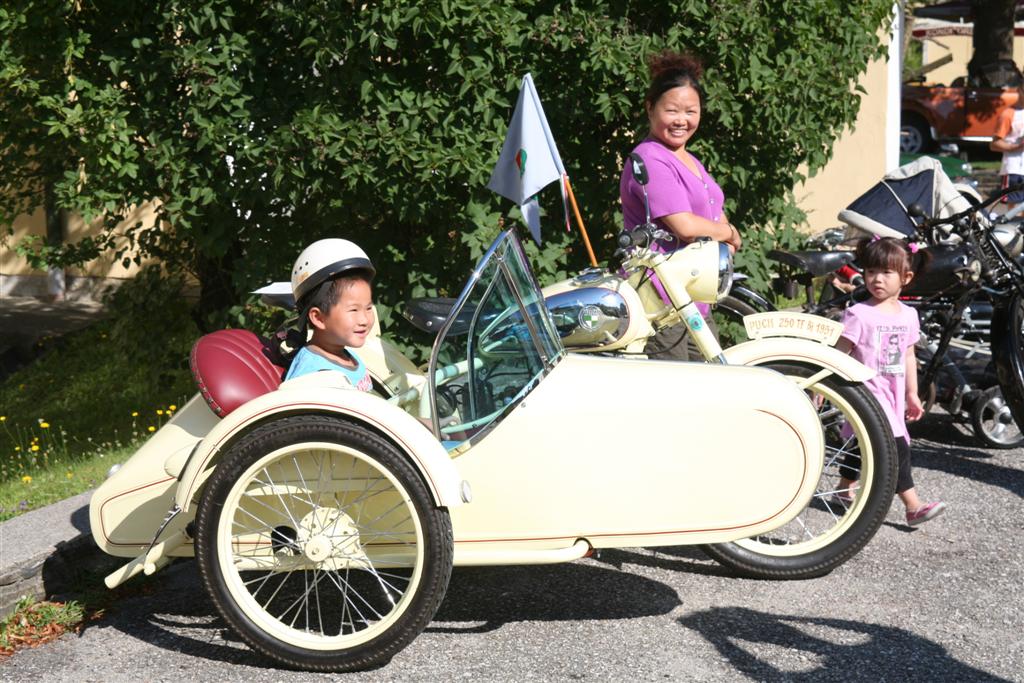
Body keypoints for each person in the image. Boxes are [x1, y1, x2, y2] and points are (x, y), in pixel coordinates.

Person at [619, 50, 742, 360]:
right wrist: (727, 233)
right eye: (672, 110)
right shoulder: (650, 159)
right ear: (650, 108)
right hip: (661, 300)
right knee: (672, 397)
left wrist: (722, 231)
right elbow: (685, 226)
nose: (682, 120)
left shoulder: (689, 160)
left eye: (691, 111)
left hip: (692, 297)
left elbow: (711, 206)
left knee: (710, 386)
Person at [834, 237, 946, 526]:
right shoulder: (859, 314)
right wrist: (827, 388)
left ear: (905, 277)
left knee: (863, 444)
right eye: (871, 272)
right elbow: (839, 354)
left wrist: (912, 393)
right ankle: (913, 506)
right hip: (867, 392)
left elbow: (909, 355)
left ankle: (842, 488)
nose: (877, 279)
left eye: (886, 273)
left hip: (893, 393)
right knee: (895, 447)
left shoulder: (909, 316)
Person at [284, 238, 376, 390]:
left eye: (368, 308)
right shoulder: (314, 378)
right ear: (318, 318)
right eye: (353, 310)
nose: (364, 320)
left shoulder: (347, 356)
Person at [990, 78, 1024, 210]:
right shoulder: (1009, 114)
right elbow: (994, 144)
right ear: (1019, 91)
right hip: (1014, 168)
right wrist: (1016, 147)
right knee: (1014, 208)